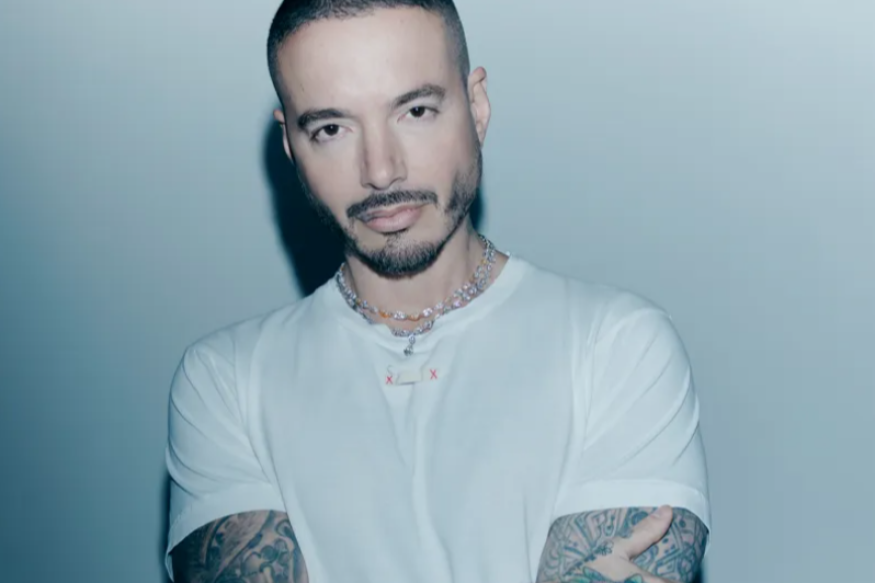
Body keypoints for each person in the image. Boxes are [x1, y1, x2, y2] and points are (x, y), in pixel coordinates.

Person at [163, 1, 711, 582]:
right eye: (332, 128)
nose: (380, 170)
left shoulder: (616, 347)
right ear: (291, 144)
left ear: (477, 107)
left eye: (416, 111)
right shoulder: (227, 381)